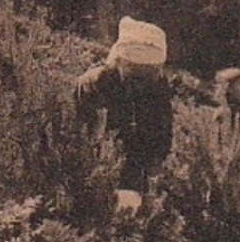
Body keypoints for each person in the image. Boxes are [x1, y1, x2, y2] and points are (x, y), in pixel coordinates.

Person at [74, 17, 175, 215]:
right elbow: (80, 130)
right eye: (135, 74)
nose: (141, 83)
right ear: (120, 63)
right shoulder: (95, 84)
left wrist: (155, 170)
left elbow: (162, 132)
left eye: (149, 74)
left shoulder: (158, 88)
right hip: (99, 165)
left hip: (137, 166)